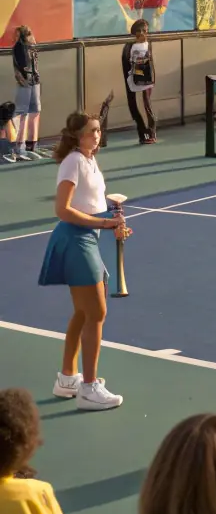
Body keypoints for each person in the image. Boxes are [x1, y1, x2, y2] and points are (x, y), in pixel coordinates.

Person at [38, 113, 130, 411]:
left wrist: (113, 223)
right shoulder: (73, 162)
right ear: (77, 136)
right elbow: (63, 210)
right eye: (91, 131)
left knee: (82, 311)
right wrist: (103, 224)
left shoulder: (90, 161)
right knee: (97, 312)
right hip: (75, 239)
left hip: (88, 238)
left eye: (99, 130)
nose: (97, 135)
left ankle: (68, 379)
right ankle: (89, 389)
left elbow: (91, 205)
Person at [11, 24, 44, 161]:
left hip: (31, 82)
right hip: (27, 82)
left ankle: (29, 145)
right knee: (24, 113)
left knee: (32, 112)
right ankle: (21, 146)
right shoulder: (22, 47)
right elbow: (23, 66)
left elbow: (30, 65)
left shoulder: (29, 46)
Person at [122, 18, 157, 145]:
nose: (142, 33)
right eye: (139, 31)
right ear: (134, 32)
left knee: (147, 104)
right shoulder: (128, 46)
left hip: (146, 78)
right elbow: (126, 64)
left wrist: (151, 79)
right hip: (132, 78)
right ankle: (143, 133)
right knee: (133, 105)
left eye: (145, 31)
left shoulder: (148, 44)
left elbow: (150, 62)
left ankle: (151, 133)